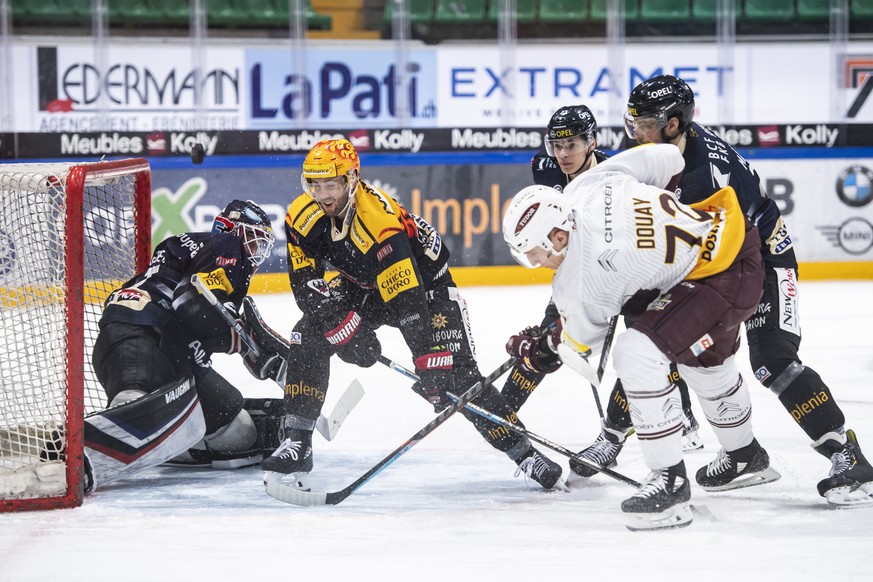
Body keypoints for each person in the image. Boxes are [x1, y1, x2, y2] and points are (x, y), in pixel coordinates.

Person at [620, 74, 873, 507]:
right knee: (704, 356)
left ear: (675, 124)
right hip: (723, 260)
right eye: (633, 123)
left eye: (644, 124)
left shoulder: (705, 178)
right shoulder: (664, 150)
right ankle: (745, 458)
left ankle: (848, 456)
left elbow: (706, 253)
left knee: (773, 360)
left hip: (762, 262)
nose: (635, 134)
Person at [502, 143, 779, 530]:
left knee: (636, 353)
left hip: (719, 280)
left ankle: (670, 482)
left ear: (558, 236)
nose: (533, 262)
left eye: (533, 251)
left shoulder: (579, 280)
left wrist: (540, 348)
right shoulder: (588, 185)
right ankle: (745, 455)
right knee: (703, 362)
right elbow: (668, 158)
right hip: (730, 233)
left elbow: (582, 355)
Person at [261, 138, 563, 490]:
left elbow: (408, 303)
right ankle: (297, 440)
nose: (324, 194)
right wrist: (343, 329)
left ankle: (525, 454)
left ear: (351, 179)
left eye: (332, 185)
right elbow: (306, 285)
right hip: (363, 286)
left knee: (457, 379)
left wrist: (427, 360)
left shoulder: (380, 224)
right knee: (310, 331)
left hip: (427, 291)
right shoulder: (301, 216)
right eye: (315, 185)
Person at [501, 105, 703, 485]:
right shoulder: (543, 169)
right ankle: (505, 409)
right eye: (556, 145)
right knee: (548, 336)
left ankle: (614, 436)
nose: (562, 154)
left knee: (643, 345)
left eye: (572, 145)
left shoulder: (615, 169)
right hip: (582, 274)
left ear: (592, 141)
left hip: (633, 271)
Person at [88, 199, 283, 490]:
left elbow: (196, 315)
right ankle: (76, 451)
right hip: (140, 336)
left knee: (240, 432)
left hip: (166, 348)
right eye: (254, 241)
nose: (255, 253)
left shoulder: (197, 251)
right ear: (230, 229)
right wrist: (239, 340)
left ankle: (168, 440)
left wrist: (240, 344)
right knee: (134, 405)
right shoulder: (227, 246)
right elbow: (189, 303)